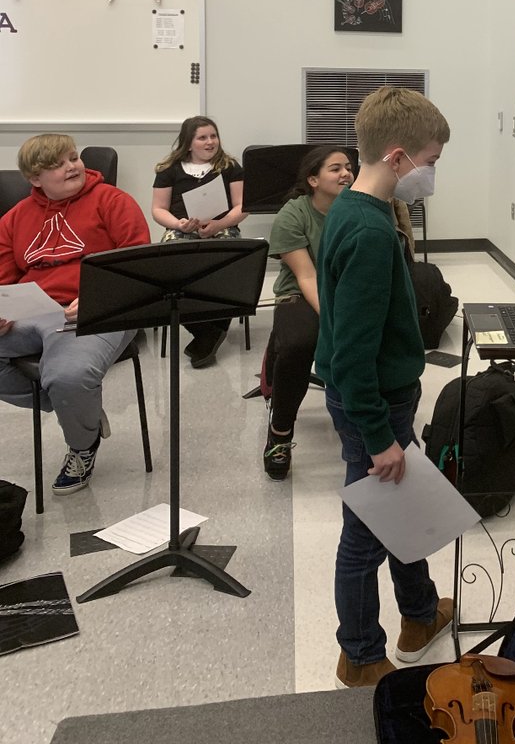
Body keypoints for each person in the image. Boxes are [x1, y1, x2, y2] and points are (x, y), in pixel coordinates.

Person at [315, 86, 453, 689]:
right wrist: (377, 436)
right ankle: (361, 652)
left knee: (403, 507)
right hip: (372, 401)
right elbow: (352, 353)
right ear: (397, 157)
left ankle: (419, 615)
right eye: (430, 161)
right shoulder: (371, 234)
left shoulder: (352, 204)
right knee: (366, 532)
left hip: (377, 396)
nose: (431, 174)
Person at [0, 135, 150, 495]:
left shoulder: (113, 201)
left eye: (73, 158)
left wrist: (98, 296)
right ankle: (80, 407)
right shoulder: (15, 218)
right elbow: (4, 276)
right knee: (68, 387)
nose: (72, 166)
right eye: (58, 164)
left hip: (101, 308)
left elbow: (137, 264)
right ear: (35, 178)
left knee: (69, 375)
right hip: (33, 312)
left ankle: (82, 444)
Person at [262, 146, 354, 480]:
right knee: (300, 343)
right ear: (313, 180)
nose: (346, 173)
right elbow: (307, 276)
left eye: (348, 167)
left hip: (346, 289)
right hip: (300, 293)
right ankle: (280, 433)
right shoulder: (293, 214)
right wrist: (333, 319)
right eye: (335, 169)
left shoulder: (358, 207)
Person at [152, 116, 247, 368]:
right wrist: (178, 224)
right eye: (202, 137)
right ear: (189, 142)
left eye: (213, 136)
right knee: (170, 274)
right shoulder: (168, 169)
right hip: (182, 228)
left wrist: (218, 225)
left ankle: (210, 331)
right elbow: (158, 209)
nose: (210, 142)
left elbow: (242, 206)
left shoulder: (230, 166)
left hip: (221, 227)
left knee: (227, 268)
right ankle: (209, 331)